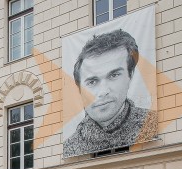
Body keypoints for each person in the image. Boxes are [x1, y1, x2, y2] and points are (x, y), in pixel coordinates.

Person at [63, 29, 158, 157]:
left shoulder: (152, 124)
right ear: (79, 89)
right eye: (92, 82)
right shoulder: (70, 146)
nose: (103, 92)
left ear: (130, 75)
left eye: (113, 75)